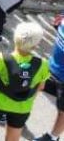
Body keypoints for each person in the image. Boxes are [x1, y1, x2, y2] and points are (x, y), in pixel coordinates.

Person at [0, 22, 49, 141]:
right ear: (36, 45)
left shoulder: (0, 58)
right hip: (22, 108)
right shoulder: (43, 64)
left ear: (15, 39)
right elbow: (40, 87)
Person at [34, 12, 64, 141]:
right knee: (33, 84)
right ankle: (17, 114)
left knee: (63, 110)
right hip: (52, 68)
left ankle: (53, 137)